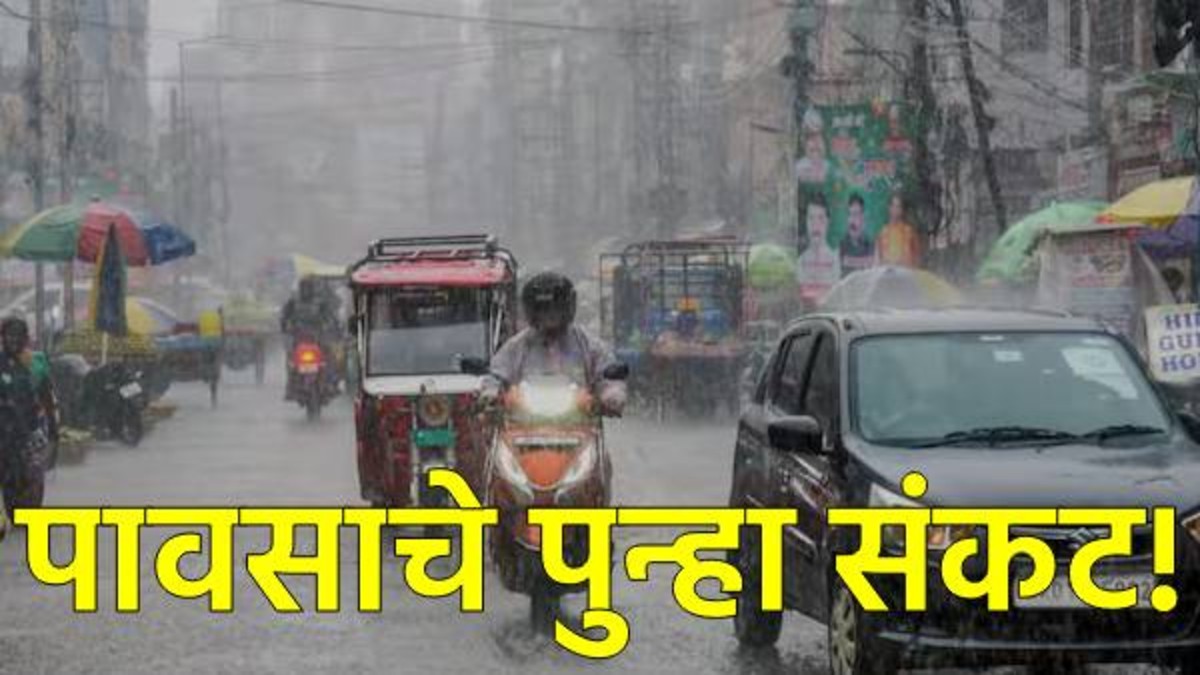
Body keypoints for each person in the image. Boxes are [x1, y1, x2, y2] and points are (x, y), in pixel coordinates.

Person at [487, 273, 626, 415]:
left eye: (555, 308)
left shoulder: (588, 344)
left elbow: (607, 373)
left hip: (582, 421)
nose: (550, 314)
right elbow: (497, 375)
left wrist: (612, 394)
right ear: (532, 311)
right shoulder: (516, 347)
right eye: (543, 309)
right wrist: (490, 392)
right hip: (523, 422)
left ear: (568, 307)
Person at [0, 316, 52, 517]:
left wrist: (47, 426)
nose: (14, 340)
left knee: (27, 474)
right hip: (5, 430)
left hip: (25, 431)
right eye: (9, 335)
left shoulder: (31, 364)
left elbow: (42, 396)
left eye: (18, 336)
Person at [797, 194, 841, 304]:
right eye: (811, 218)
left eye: (821, 218)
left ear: (828, 221)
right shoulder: (801, 262)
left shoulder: (835, 260)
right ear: (806, 222)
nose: (815, 225)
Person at [876, 193, 922, 268]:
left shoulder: (910, 232)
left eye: (898, 207)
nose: (895, 209)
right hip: (887, 272)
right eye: (893, 206)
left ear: (902, 210)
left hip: (906, 272)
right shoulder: (882, 233)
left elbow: (917, 257)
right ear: (889, 208)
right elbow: (877, 258)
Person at [840, 194, 875, 275]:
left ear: (862, 217)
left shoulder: (870, 244)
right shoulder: (841, 244)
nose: (852, 220)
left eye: (855, 214)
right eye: (849, 214)